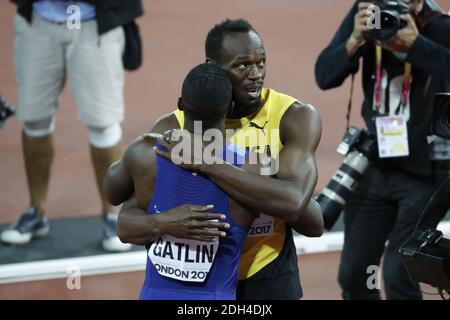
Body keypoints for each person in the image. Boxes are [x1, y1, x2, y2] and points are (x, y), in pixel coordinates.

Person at [109, 19, 324, 300]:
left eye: (261, 62)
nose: (256, 73)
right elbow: (125, 214)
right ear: (213, 66)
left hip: (266, 273)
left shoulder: (292, 117)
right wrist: (161, 222)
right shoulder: (174, 129)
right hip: (202, 282)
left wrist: (207, 162)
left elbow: (302, 211)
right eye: (243, 65)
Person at [315, 0, 450, 299]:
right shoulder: (369, 15)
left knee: (398, 273)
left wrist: (416, 46)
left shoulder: (440, 25)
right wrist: (353, 42)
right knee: (355, 274)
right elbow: (324, 75)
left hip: (425, 170)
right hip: (375, 164)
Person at [105, 63, 264, 299]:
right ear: (231, 108)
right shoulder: (252, 166)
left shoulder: (145, 152)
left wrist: (160, 221)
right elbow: (301, 210)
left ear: (180, 105)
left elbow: (112, 192)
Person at [1, 0, 143, 252]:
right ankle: (36, 211)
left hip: (94, 24)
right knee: (34, 120)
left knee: (103, 124)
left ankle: (113, 215)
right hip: (37, 20)